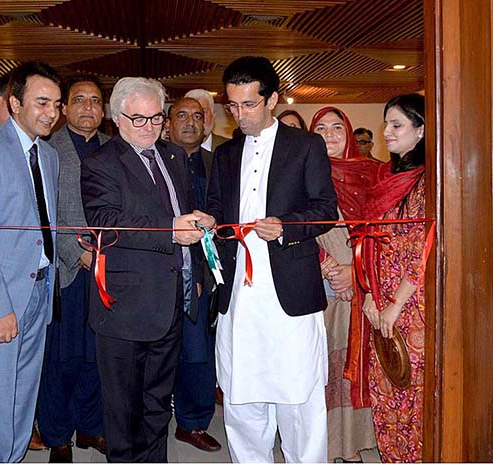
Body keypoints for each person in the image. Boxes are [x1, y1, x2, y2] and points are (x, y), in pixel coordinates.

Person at [205, 56, 338, 463]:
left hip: (291, 291)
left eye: (248, 104)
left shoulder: (306, 146)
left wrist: (285, 225)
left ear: (272, 100)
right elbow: (215, 205)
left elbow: (325, 208)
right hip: (239, 297)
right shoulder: (226, 154)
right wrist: (209, 220)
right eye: (232, 106)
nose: (239, 115)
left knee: (299, 398)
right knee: (242, 398)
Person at [80, 77, 210, 462]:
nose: (150, 127)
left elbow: (183, 213)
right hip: (124, 305)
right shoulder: (100, 163)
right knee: (123, 410)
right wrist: (171, 229)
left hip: (170, 299)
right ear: (116, 118)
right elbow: (105, 219)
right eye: (139, 119)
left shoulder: (174, 157)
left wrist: (199, 234)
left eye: (157, 118)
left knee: (157, 402)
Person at [349, 94, 427, 462]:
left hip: (411, 307)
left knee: (410, 392)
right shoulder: (388, 177)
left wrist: (394, 304)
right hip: (380, 301)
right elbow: (369, 242)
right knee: (386, 392)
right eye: (386, 124)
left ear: (422, 130)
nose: (386, 132)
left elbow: (420, 252)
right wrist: (368, 293)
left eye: (397, 125)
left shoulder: (426, 183)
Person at [34, 75, 109, 462]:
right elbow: (44, 214)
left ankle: (92, 428)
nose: (87, 107)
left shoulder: (115, 149)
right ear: (65, 108)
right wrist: (76, 252)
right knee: (62, 358)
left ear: (103, 109)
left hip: (110, 271)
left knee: (98, 354)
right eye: (79, 100)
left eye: (95, 101)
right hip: (69, 270)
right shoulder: (49, 150)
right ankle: (58, 434)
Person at [0, 61, 61, 463]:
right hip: (7, 295)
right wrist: (0, 306)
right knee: (2, 394)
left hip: (41, 288)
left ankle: (14, 457)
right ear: (15, 103)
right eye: (41, 102)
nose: (50, 112)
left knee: (25, 392)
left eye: (55, 103)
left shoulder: (48, 156)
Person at [309, 107, 378, 462]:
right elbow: (294, 230)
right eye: (321, 128)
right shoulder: (303, 175)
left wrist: (357, 270)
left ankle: (353, 445)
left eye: (338, 127)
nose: (331, 133)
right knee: (329, 370)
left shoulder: (373, 174)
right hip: (326, 290)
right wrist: (331, 267)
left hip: (366, 287)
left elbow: (385, 233)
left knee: (361, 366)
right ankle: (329, 446)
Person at [165, 97, 222, 453]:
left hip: (209, 272)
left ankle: (192, 422)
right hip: (162, 271)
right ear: (167, 123)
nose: (189, 122)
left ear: (206, 125)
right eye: (181, 115)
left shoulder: (217, 163)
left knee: (200, 350)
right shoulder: (155, 162)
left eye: (196, 116)